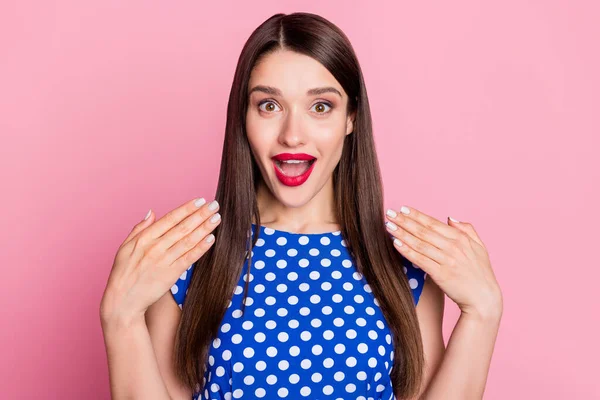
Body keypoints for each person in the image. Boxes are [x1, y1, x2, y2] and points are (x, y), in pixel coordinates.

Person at [100, 12, 502, 400]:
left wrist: (482, 312)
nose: (293, 135)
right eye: (269, 106)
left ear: (351, 118)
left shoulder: (405, 267)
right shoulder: (187, 258)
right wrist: (121, 318)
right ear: (243, 117)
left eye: (321, 106)